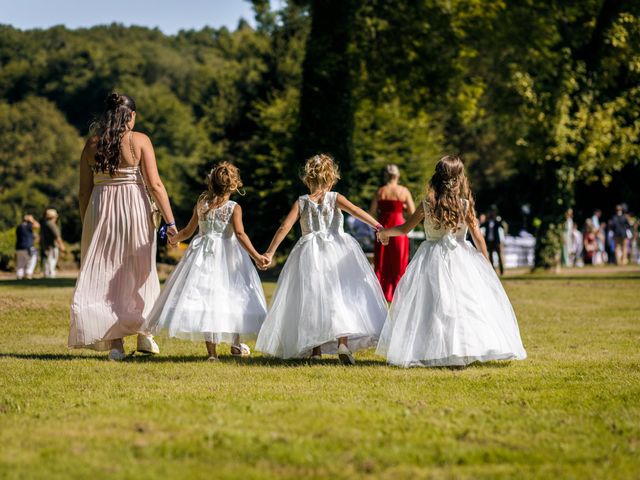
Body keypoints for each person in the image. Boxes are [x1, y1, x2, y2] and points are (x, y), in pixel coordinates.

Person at [375, 155, 526, 367]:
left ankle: (432, 348)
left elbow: (404, 229)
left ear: (437, 178)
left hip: (430, 258)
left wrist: (385, 233)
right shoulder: (465, 205)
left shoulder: (428, 204)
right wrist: (486, 264)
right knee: (463, 303)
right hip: (461, 257)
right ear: (459, 178)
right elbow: (477, 237)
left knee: (432, 305)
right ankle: (462, 347)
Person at [69, 93, 177, 361]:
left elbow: (84, 192)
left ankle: (115, 343)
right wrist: (171, 222)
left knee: (105, 271)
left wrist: (88, 223)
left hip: (100, 208)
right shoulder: (139, 140)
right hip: (134, 208)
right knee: (141, 268)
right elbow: (155, 185)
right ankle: (144, 333)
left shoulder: (92, 144)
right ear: (131, 116)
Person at [256, 154, 388, 364]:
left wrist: (270, 252)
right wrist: (379, 227)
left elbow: (285, 227)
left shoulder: (302, 202)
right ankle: (342, 343)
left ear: (308, 178)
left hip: (310, 253)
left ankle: (315, 350)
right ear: (331, 177)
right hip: (338, 249)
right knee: (340, 296)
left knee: (312, 298)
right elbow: (356, 211)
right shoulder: (335, 198)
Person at [144, 162, 268, 361]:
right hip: (229, 256)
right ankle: (236, 344)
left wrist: (173, 239)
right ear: (234, 185)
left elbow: (187, 231)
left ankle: (212, 353)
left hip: (202, 255)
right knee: (233, 296)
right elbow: (240, 234)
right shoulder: (234, 208)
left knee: (207, 300)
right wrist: (256, 255)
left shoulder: (202, 204)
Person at [369, 164, 415, 301]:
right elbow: (413, 213)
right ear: (398, 176)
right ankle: (397, 292)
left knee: (382, 260)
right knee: (398, 261)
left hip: (383, 227)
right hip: (400, 228)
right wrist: (404, 207)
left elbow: (371, 213)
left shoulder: (380, 191)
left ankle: (381, 292)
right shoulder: (404, 191)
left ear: (386, 176)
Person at [41, 209, 66, 278]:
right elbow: (57, 236)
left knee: (48, 260)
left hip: (46, 246)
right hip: (52, 246)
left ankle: (47, 274)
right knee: (52, 260)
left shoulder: (45, 224)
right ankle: (50, 274)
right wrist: (61, 245)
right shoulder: (51, 224)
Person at [481, 206, 506, 275]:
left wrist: (499, 221)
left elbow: (502, 226)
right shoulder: (487, 221)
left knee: (499, 256)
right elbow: (481, 226)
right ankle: (493, 270)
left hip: (496, 241)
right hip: (489, 241)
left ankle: (501, 271)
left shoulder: (497, 221)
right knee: (490, 256)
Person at [15, 214, 40, 280]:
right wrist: (32, 220)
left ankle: (19, 275)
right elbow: (37, 225)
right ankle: (28, 273)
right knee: (33, 259)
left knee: (20, 262)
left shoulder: (19, 227)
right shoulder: (28, 226)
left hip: (19, 247)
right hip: (27, 247)